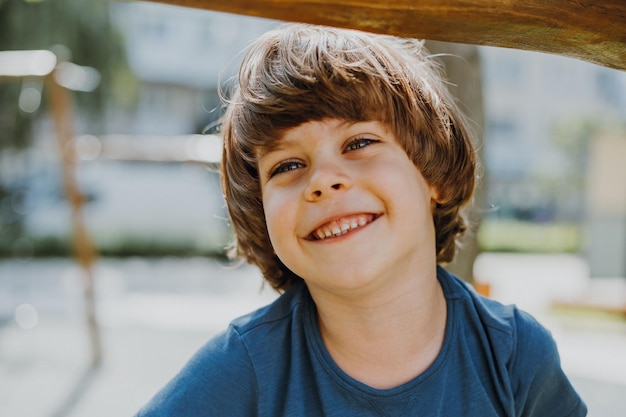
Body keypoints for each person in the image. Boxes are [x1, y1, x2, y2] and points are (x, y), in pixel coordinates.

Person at [136, 24, 586, 416]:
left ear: (435, 177)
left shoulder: (513, 355)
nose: (324, 180)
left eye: (359, 142)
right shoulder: (241, 372)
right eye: (287, 166)